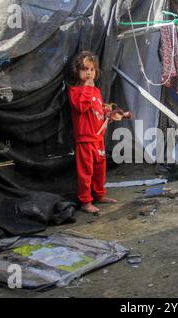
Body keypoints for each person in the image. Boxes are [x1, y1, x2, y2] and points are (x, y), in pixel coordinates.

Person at [68, 51, 132, 213]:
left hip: (98, 138)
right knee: (86, 171)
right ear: (77, 71)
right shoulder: (75, 91)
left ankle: (99, 195)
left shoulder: (96, 92)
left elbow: (98, 111)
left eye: (92, 69)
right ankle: (85, 202)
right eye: (84, 69)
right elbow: (81, 107)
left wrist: (110, 115)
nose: (89, 72)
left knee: (99, 169)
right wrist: (88, 88)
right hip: (85, 139)